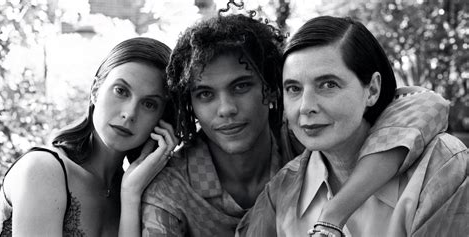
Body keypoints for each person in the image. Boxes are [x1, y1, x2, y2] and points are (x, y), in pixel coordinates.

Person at [139, 8, 451, 236]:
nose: (226, 109)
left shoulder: (306, 135)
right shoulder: (170, 193)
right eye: (205, 94)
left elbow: (427, 106)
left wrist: (335, 212)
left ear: (272, 88)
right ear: (189, 104)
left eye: (241, 86)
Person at [237, 16, 468, 237]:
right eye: (294, 89)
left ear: (373, 90)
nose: (305, 107)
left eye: (328, 84)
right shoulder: (281, 192)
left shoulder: (441, 166)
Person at [0, 37, 179, 236]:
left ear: (161, 120)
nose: (130, 113)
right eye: (121, 91)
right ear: (95, 90)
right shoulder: (43, 170)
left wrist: (130, 194)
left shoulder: (136, 188)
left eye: (149, 104)